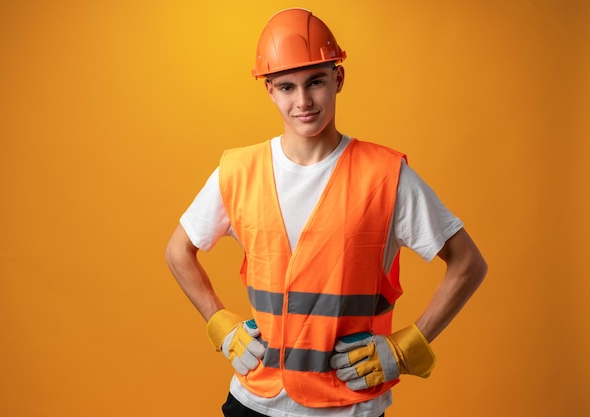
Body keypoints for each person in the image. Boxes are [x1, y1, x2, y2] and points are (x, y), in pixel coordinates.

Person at [165, 8, 487, 417]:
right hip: (253, 400)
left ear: (338, 78)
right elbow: (178, 251)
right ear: (269, 90)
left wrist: (407, 348)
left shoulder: (386, 175)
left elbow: (468, 264)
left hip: (349, 405)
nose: (302, 101)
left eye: (315, 82)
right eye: (286, 87)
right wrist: (221, 325)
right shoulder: (238, 172)